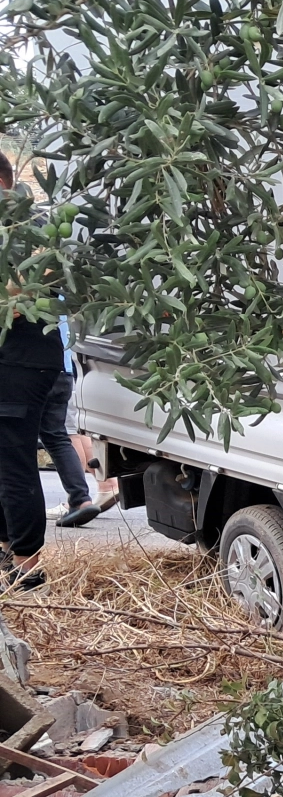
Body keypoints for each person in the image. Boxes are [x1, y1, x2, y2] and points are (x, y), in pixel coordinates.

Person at [0, 151, 62, 590]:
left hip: (25, 362)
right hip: (16, 360)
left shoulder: (30, 228)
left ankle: (26, 563)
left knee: (13, 460)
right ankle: (8, 550)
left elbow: (18, 298)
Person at [41, 313, 104, 528]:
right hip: (65, 371)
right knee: (59, 436)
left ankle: (23, 510)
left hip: (35, 371)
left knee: (20, 440)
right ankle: (80, 498)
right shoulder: (60, 296)